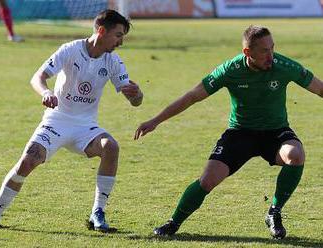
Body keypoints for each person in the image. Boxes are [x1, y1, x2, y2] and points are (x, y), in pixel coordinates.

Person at [134, 25, 323, 239]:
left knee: (295, 155)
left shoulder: (284, 66)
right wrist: (156, 120)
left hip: (275, 132)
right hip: (240, 133)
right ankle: (173, 223)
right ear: (247, 53)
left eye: (272, 48)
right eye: (264, 51)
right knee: (207, 181)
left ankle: (274, 212)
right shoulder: (230, 70)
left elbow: (320, 88)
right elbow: (192, 96)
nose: (271, 56)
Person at [0, 9, 143, 231]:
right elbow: (38, 77)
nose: (120, 42)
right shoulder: (71, 49)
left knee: (110, 146)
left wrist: (137, 94)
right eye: (118, 35)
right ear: (101, 31)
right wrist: (45, 92)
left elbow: (135, 101)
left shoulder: (113, 61)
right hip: (56, 121)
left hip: (85, 127)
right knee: (28, 161)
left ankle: (97, 213)